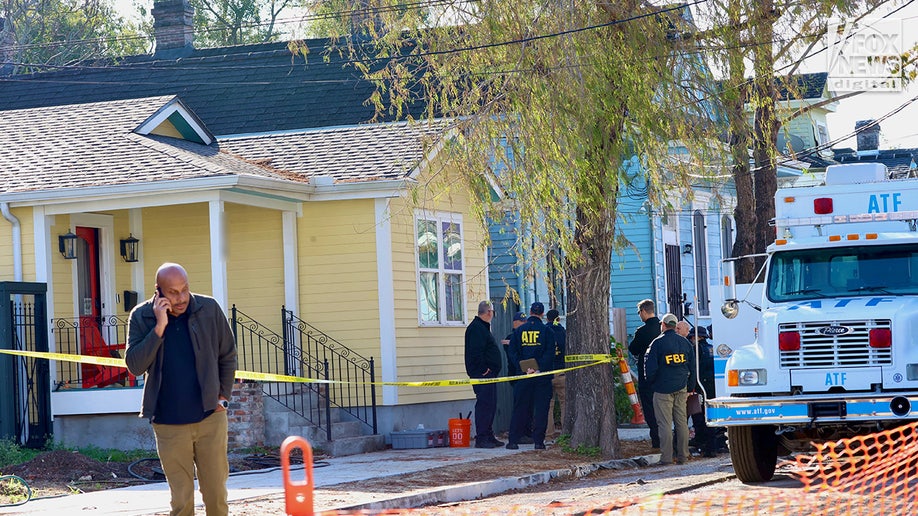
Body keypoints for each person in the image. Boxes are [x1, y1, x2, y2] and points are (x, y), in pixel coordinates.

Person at [125, 263, 237, 516]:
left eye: (184, 289)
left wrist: (223, 398)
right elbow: (134, 365)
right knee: (181, 501)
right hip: (168, 423)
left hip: (211, 417)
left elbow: (227, 355)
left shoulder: (208, 309)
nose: (181, 297)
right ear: (159, 292)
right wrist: (159, 327)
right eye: (173, 292)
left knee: (216, 496)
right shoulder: (142, 316)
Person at [645, 313, 696, 465]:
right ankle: (683, 456)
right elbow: (692, 367)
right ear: (675, 326)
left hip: (662, 389)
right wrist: (690, 387)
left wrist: (652, 384)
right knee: (681, 423)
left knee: (665, 424)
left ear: (664, 325)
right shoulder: (685, 343)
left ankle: (666, 458)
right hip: (681, 388)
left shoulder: (657, 343)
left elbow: (650, 368)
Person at [506, 301, 555, 450]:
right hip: (542, 377)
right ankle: (538, 442)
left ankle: (513, 440)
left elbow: (512, 352)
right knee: (541, 409)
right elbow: (549, 354)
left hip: (523, 376)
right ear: (542, 314)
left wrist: (524, 367)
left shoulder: (519, 331)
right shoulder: (547, 332)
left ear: (530, 312)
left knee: (520, 408)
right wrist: (538, 368)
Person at [464, 300, 504, 449]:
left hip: (489, 375)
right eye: (492, 312)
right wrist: (483, 369)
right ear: (488, 312)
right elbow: (475, 352)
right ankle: (481, 438)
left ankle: (488, 434)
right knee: (484, 405)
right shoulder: (476, 328)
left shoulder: (483, 328)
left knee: (491, 405)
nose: (493, 314)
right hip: (482, 375)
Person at [628, 299, 661, 449]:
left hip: (647, 376)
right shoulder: (663, 328)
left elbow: (633, 349)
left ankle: (656, 440)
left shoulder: (642, 331)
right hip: (663, 376)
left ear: (643, 311)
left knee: (649, 408)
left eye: (639, 312)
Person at [502, 311, 533, 444]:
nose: (524, 324)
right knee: (520, 406)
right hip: (517, 375)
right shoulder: (511, 337)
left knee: (529, 406)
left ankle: (527, 431)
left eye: (525, 321)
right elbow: (513, 355)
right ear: (515, 323)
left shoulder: (523, 336)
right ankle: (519, 434)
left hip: (528, 375)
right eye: (521, 322)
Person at [545, 309, 567, 436]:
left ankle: (549, 434)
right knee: (564, 403)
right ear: (558, 319)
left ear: (547, 318)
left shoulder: (544, 331)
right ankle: (565, 433)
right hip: (562, 371)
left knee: (549, 405)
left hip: (547, 372)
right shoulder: (562, 332)